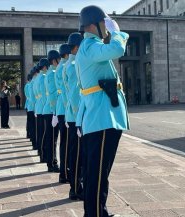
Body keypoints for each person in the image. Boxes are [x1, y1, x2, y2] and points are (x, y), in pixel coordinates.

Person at [76, 5, 130, 217]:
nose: (106, 28)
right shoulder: (90, 46)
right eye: (103, 23)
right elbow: (117, 50)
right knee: (97, 172)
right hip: (102, 116)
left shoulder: (89, 46)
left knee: (97, 172)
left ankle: (98, 211)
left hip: (99, 115)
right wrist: (117, 33)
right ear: (92, 25)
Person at [64, 32, 84, 200]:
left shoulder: (69, 64)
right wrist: (80, 118)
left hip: (72, 115)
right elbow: (76, 93)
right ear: (77, 47)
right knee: (77, 154)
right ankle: (76, 188)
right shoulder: (74, 64)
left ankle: (77, 185)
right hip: (77, 116)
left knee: (76, 152)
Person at [42, 50, 61, 173]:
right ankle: (52, 163)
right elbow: (53, 95)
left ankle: (51, 162)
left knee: (51, 138)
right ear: (54, 60)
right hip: (51, 110)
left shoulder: (50, 73)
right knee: (52, 139)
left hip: (49, 109)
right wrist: (55, 112)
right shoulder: (52, 73)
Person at [56, 44, 71, 183]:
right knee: (66, 144)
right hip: (65, 109)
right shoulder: (65, 66)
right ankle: (65, 173)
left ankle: (65, 172)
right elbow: (65, 90)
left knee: (65, 143)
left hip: (63, 108)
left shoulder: (61, 67)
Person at [34, 58, 49, 162]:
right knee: (45, 134)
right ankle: (43, 155)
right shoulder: (43, 77)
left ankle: (41, 153)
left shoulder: (37, 78)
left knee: (41, 133)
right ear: (45, 67)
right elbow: (44, 95)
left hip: (39, 107)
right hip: (44, 107)